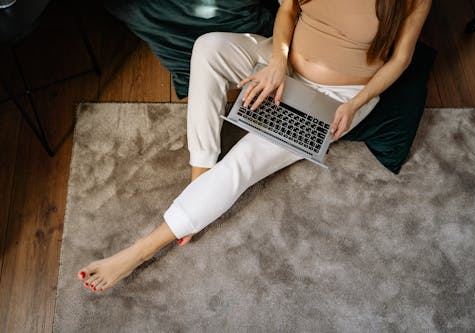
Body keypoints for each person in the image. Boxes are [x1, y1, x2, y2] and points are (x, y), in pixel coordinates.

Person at [78, 0, 432, 292]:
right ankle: (199, 179)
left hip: (339, 98)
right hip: (283, 63)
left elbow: (400, 59)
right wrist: (277, 62)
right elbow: (289, 11)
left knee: (242, 161)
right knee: (209, 47)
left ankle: (138, 252)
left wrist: (356, 105)